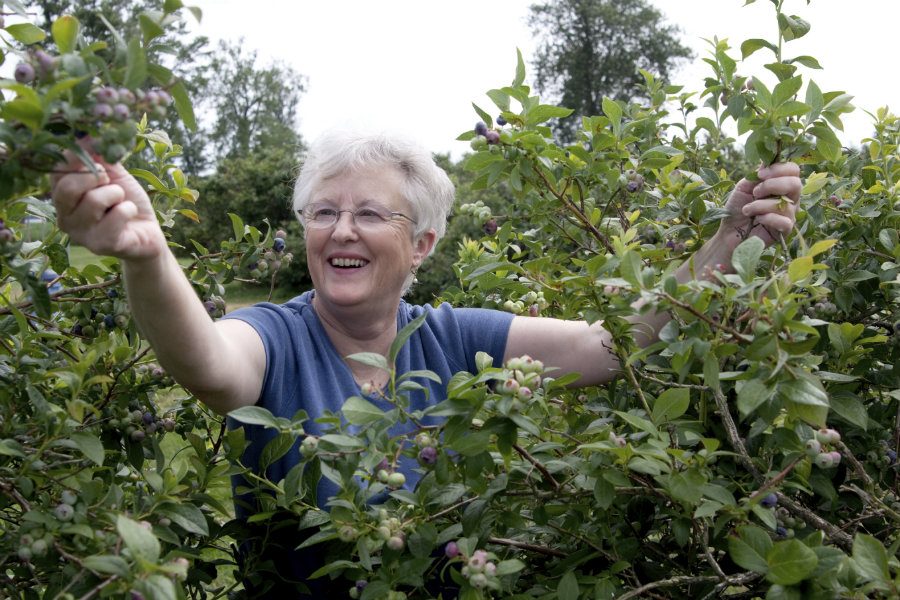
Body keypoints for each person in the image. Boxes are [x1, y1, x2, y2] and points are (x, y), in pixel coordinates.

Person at [50, 129, 801, 596]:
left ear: (425, 245)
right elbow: (207, 362)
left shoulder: (451, 337)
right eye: (323, 211)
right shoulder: (273, 337)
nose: (341, 230)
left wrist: (730, 241)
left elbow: (613, 341)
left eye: (371, 213)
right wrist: (146, 257)